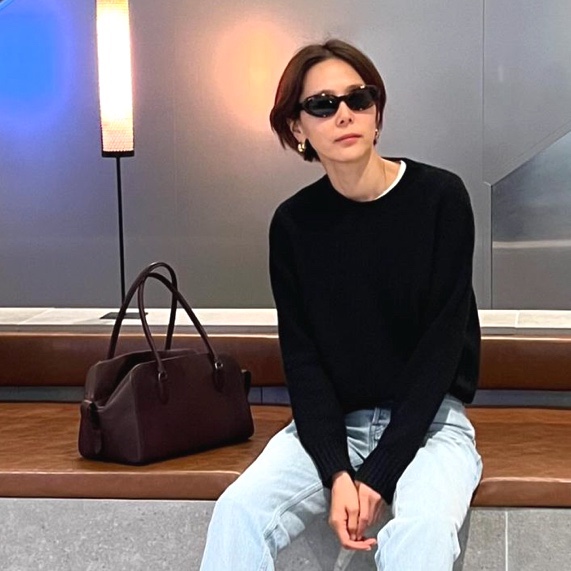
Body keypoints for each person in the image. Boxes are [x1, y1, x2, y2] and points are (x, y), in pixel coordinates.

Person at [200, 38, 482, 571]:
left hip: (431, 425)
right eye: (323, 104)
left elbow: (440, 350)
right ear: (297, 128)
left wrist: (378, 473)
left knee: (422, 531)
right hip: (334, 426)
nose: (344, 114)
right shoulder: (294, 225)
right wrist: (336, 472)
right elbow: (303, 361)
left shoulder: (440, 198)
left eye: (359, 98)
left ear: (377, 114)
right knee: (238, 511)